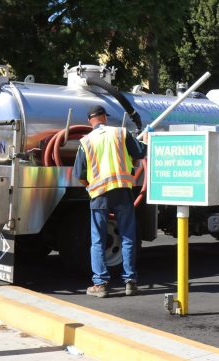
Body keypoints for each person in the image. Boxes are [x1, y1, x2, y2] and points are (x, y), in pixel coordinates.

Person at [73, 105, 147, 298]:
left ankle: (101, 284)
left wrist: (91, 187)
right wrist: (146, 140)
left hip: (99, 194)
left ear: (90, 120)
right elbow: (140, 153)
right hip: (123, 191)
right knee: (128, 236)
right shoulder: (120, 133)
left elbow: (78, 174)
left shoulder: (86, 141)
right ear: (104, 117)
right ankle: (130, 282)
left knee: (97, 239)